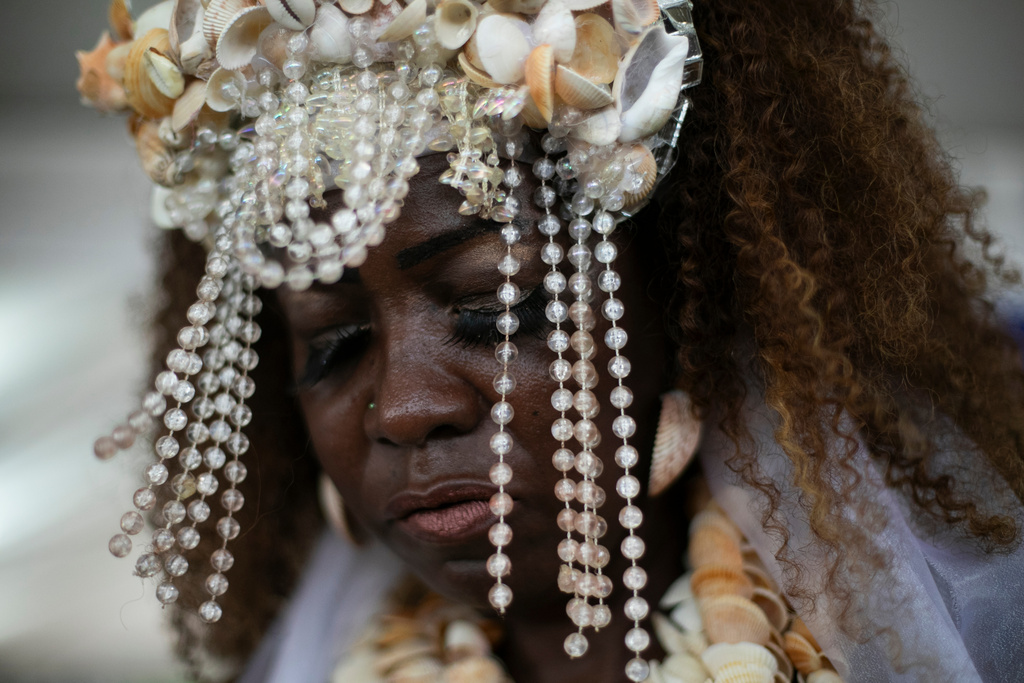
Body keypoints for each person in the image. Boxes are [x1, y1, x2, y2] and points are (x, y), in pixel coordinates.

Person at [78, 0, 1024, 681]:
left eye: (496, 311)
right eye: (331, 345)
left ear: (693, 310)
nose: (406, 407)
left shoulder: (920, 646)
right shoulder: (318, 660)